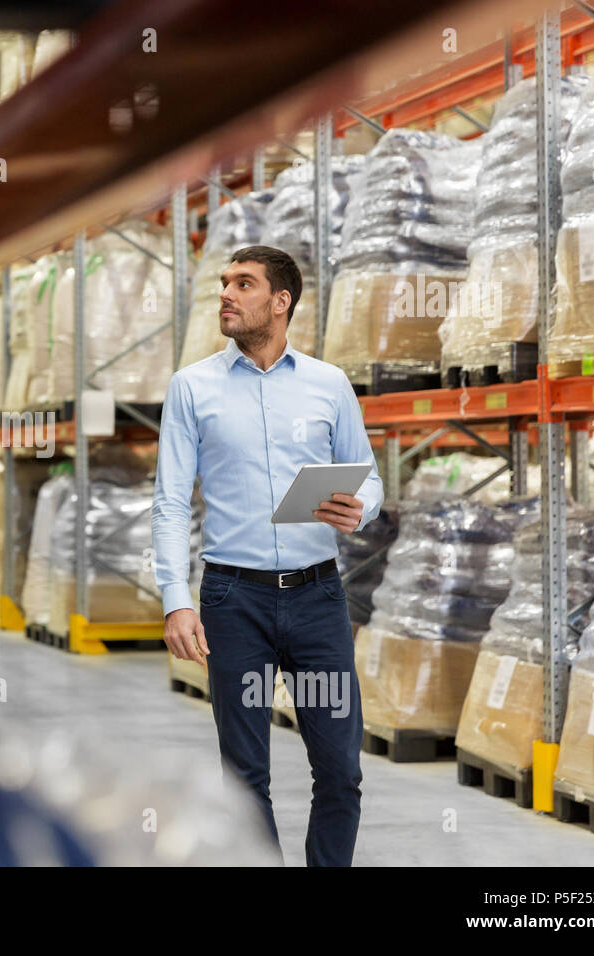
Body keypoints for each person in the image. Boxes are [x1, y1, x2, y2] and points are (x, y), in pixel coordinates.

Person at [150, 245, 383, 867]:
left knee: (340, 769)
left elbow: (370, 481)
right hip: (234, 601)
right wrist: (176, 600)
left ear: (280, 302)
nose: (225, 293)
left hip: (316, 601)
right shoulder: (191, 387)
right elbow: (171, 503)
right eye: (224, 283)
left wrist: (361, 508)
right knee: (245, 778)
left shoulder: (328, 384)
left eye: (243, 284)